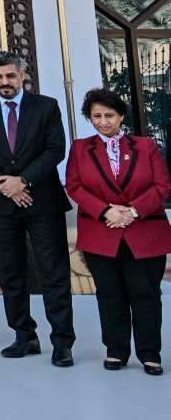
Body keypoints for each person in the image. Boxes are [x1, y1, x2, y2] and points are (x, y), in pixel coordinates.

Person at [0, 50, 74, 366]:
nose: (5, 82)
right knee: (11, 273)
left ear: (22, 75)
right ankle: (24, 336)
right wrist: (5, 184)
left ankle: (62, 342)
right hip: (1, 204)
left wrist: (23, 180)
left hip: (43, 202)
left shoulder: (46, 106)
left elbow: (56, 149)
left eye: (10, 76)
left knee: (53, 272)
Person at [65, 87, 170, 376]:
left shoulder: (146, 146)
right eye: (96, 116)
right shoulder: (80, 148)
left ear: (121, 116)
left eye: (109, 115)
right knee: (110, 294)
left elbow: (161, 186)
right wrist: (106, 211)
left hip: (144, 230)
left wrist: (133, 211)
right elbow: (74, 186)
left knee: (145, 294)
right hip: (101, 230)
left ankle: (150, 354)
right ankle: (116, 351)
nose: (103, 121)